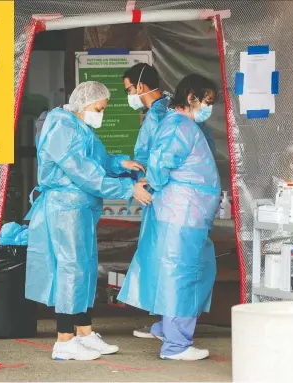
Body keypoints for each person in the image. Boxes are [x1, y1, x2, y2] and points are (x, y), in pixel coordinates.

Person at [25, 81, 151, 362]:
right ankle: (64, 340)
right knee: (71, 269)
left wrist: (121, 164)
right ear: (83, 104)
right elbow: (85, 174)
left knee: (83, 269)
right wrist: (127, 189)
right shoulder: (63, 128)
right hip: (65, 208)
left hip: (79, 208)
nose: (101, 114)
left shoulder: (80, 127)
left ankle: (84, 332)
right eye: (98, 108)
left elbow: (97, 161)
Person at [117, 74, 221, 361]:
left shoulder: (184, 125)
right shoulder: (178, 127)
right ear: (191, 97)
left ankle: (167, 329)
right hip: (182, 214)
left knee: (184, 272)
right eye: (207, 101)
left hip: (186, 214)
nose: (208, 107)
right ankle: (176, 345)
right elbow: (159, 168)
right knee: (181, 275)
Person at [123, 63, 171, 177]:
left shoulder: (154, 116)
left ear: (140, 86)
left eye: (128, 90)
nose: (129, 95)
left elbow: (144, 159)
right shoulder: (170, 106)